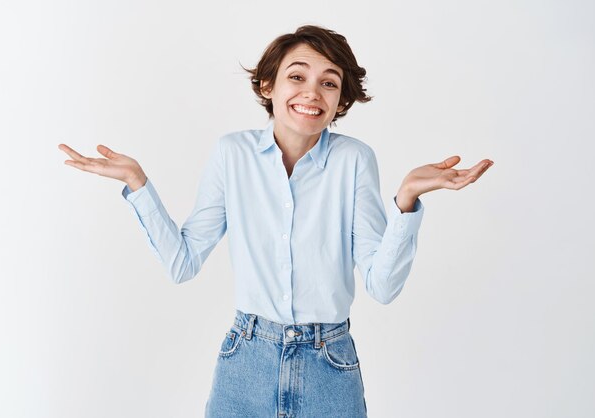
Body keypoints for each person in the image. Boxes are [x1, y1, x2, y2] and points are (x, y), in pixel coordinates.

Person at [59, 25, 493, 418]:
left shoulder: (354, 160)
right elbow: (182, 263)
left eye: (329, 83)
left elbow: (382, 285)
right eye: (297, 76)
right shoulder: (232, 154)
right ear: (268, 85)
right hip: (246, 361)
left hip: (331, 363)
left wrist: (406, 201)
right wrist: (137, 184)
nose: (312, 92)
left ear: (341, 101)